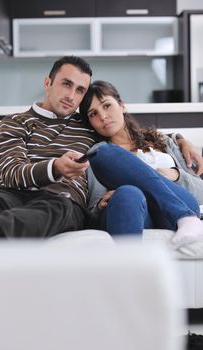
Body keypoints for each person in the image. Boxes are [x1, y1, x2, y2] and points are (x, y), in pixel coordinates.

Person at [0, 57, 201, 244]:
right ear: (47, 83)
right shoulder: (16, 122)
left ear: (121, 105)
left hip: (60, 198)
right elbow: (11, 171)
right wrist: (55, 167)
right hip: (12, 192)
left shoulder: (91, 128)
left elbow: (137, 141)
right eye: (66, 84)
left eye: (80, 90)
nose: (72, 96)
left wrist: (181, 141)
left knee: (57, 205)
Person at [79, 80, 203, 249]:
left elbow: (201, 191)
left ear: (122, 105)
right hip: (136, 211)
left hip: (175, 208)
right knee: (126, 190)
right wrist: (101, 205)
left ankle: (184, 216)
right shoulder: (99, 153)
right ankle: (132, 270)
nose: (102, 116)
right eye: (93, 114)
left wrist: (176, 175)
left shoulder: (165, 142)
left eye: (106, 106)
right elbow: (93, 210)